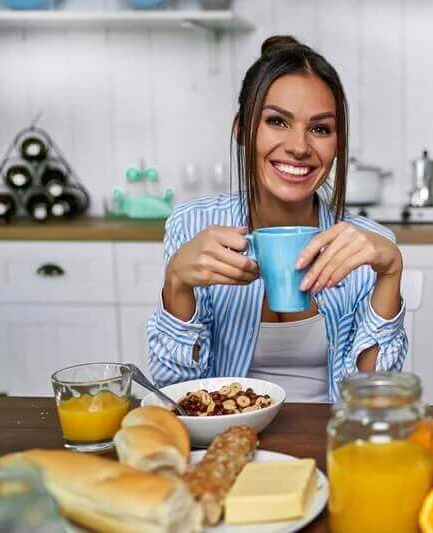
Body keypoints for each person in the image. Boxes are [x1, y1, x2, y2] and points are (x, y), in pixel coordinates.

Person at [146, 36, 407, 402]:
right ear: (242, 129)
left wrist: (390, 272)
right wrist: (177, 283)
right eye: (277, 121)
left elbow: (377, 396)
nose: (299, 146)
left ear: (338, 143)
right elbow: (174, 389)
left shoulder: (366, 245)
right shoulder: (193, 225)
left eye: (320, 129)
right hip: (229, 439)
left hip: (332, 444)